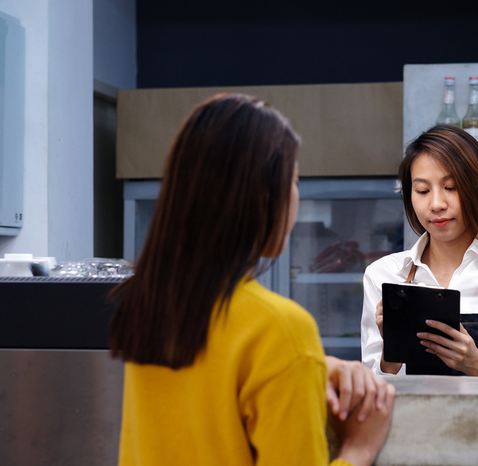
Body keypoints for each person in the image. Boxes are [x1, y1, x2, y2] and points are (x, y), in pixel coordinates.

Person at [109, 93, 395, 466]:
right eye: (293, 181)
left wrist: (317, 365)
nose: (295, 196)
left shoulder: (151, 307)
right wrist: (360, 448)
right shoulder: (281, 328)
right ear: (263, 197)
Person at [361, 124, 478, 376]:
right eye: (422, 191)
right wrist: (392, 351)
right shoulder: (383, 276)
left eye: (450, 187)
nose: (437, 204)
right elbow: (373, 395)